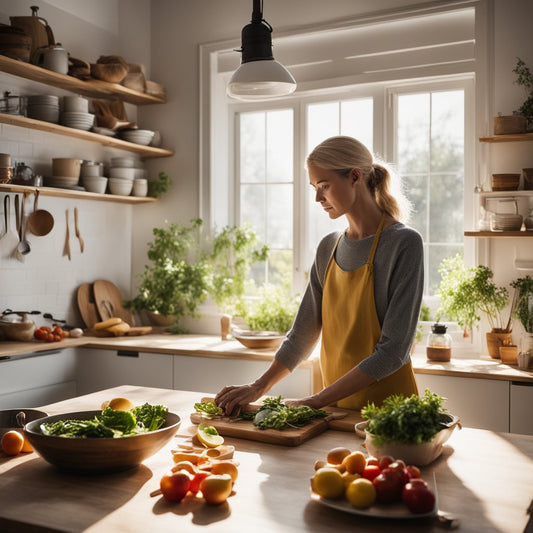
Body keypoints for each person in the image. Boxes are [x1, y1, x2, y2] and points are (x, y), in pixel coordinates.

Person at [215, 135, 423, 414]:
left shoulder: (404, 243)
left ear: (354, 177)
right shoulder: (329, 247)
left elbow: (394, 351)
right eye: (314, 187)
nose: (317, 197)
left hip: (391, 416)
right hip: (335, 409)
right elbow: (302, 335)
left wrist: (315, 401)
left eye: (324, 185)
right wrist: (258, 387)